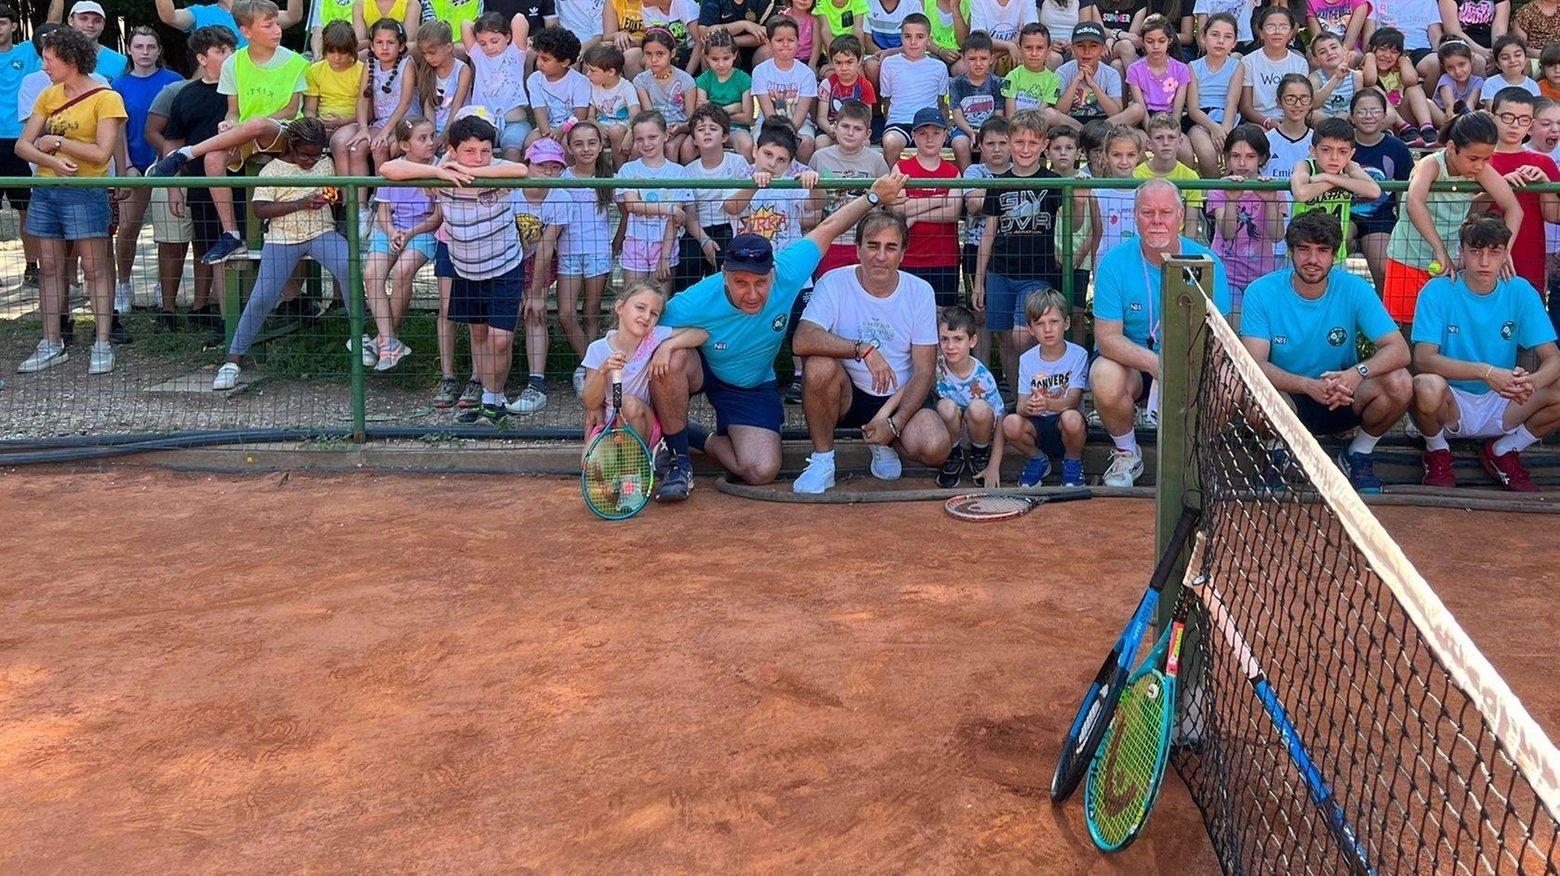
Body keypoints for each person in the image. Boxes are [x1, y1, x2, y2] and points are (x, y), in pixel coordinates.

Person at [650, 170, 910, 499]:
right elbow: (642, 324)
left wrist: (873, 197)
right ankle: (677, 461)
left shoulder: (788, 271)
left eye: (761, 282)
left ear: (773, 273)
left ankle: (691, 436)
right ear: (724, 275)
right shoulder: (695, 299)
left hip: (751, 383)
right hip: (704, 367)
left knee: (761, 469)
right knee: (669, 359)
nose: (753, 293)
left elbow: (828, 228)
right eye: (741, 283)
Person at [1240, 210, 1413, 493]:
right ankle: (1276, 454)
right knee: (1256, 398)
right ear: (1291, 252)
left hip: (1341, 395)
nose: (1312, 259)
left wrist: (1356, 374)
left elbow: (1399, 350)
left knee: (1401, 381)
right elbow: (1254, 364)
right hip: (1288, 398)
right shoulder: (1261, 292)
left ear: (1335, 255)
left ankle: (1358, 454)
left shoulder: (1355, 288)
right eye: (1304, 249)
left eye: (1323, 250)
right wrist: (1308, 386)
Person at [379, 108, 532, 424]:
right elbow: (387, 168)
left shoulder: (498, 167)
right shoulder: (439, 170)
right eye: (470, 152)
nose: (479, 157)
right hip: (465, 268)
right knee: (478, 335)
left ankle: (493, 398)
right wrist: (440, 173)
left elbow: (520, 170)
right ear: (452, 150)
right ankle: (490, 399)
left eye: (485, 151)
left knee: (501, 339)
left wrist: (473, 173)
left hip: (505, 266)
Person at [791, 210, 948, 493]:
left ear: (903, 253)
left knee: (935, 447)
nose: (881, 256)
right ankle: (823, 460)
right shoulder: (833, 281)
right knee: (817, 364)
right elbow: (802, 339)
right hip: (848, 395)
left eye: (891, 247)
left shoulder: (920, 292)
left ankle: (882, 440)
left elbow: (925, 371)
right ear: (858, 248)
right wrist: (862, 350)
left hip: (898, 398)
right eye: (873, 245)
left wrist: (895, 423)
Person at [1090, 178, 1232, 487]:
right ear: (1135, 215)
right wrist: (1156, 365)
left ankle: (1194, 455)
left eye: (1165, 212)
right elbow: (1107, 337)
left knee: (1226, 382)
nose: (1157, 221)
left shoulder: (1207, 262)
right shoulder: (1114, 263)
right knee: (1103, 374)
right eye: (1147, 212)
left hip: (1191, 360)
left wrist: (1187, 367)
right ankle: (1128, 453)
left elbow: (1220, 336)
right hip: (1138, 367)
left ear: (1181, 216)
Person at [147, 0, 309, 266]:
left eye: (277, 24)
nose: (277, 30)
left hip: (284, 133)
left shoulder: (294, 61)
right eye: (268, 25)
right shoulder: (234, 64)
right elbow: (232, 111)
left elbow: (291, 111)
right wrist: (230, 125)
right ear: (246, 32)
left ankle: (186, 153)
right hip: (248, 134)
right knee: (213, 159)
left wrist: (244, 128)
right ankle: (231, 234)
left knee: (256, 123)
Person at [1410, 213, 1560, 492]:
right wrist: (1486, 372)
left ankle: (1504, 451)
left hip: (1505, 402)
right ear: (1461, 251)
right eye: (1475, 251)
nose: (1484, 261)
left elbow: (1553, 358)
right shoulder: (1437, 290)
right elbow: (1422, 359)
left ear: (1505, 254)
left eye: (1494, 252)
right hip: (1451, 402)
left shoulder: (1521, 291)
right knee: (1425, 385)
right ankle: (1437, 450)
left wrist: (1532, 383)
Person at [13, 25, 125, 376]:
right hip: (47, 190)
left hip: (87, 190)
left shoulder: (107, 97)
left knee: (94, 269)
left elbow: (102, 152)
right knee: (49, 268)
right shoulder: (48, 95)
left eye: (49, 59)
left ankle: (102, 342)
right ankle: (51, 342)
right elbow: (23, 145)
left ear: (70, 59)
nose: (44, 66)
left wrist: (56, 144)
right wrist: (51, 161)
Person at [208, 118, 352, 390]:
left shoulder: (326, 163)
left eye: (317, 153)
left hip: (322, 231)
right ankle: (232, 360)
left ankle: (361, 334)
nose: (312, 160)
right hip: (282, 237)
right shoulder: (272, 171)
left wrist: (331, 197)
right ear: (291, 146)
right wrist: (300, 204)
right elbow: (260, 209)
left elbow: (334, 191)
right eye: (305, 154)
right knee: (262, 296)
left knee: (347, 267)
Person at [1384, 111, 1520, 332]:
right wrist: (1439, 249)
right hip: (1408, 258)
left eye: (1487, 159)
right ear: (1450, 148)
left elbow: (1514, 208)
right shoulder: (1430, 164)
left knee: (1443, 329)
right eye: (1473, 158)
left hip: (1449, 267)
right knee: (1404, 330)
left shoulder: (1480, 169)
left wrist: (1505, 253)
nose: (1479, 165)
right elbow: (1414, 203)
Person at [156, 24, 236, 336]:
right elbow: (172, 143)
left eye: (231, 49)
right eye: (221, 51)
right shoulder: (185, 95)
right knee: (216, 251)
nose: (229, 56)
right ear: (202, 58)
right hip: (201, 187)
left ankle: (248, 319)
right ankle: (228, 324)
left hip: (242, 181)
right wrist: (174, 187)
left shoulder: (243, 87)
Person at [973, 109, 1063, 380]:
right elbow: (989, 234)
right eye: (1020, 142)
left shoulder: (1055, 183)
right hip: (1000, 271)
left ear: (1044, 145)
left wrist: (1080, 200)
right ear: (1010, 142)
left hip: (1037, 273)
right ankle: (1017, 400)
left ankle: (1036, 390)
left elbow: (1074, 224)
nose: (1025, 149)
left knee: (1023, 336)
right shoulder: (998, 183)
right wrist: (979, 282)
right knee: (1006, 340)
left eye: (1033, 143)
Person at [581, 281, 710, 446]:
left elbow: (701, 334)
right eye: (640, 308)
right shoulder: (597, 349)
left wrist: (667, 346)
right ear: (619, 307)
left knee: (628, 404)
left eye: (654, 313)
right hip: (608, 426)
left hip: (643, 424)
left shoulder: (654, 337)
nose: (647, 317)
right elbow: (591, 402)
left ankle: (633, 467)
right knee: (592, 465)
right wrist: (603, 370)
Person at [110, 26, 182, 315]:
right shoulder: (118, 86)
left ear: (159, 50)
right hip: (134, 165)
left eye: (150, 47)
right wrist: (125, 165)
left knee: (170, 232)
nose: (144, 52)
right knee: (128, 227)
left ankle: (163, 286)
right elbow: (117, 129)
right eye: (138, 46)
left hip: (167, 165)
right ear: (129, 49)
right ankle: (123, 284)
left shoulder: (174, 81)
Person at [362, 117, 442, 373]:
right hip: (393, 229)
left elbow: (437, 218)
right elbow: (383, 211)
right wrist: (393, 231)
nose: (431, 142)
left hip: (423, 230)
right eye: (423, 138)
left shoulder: (440, 167)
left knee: (403, 270)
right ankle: (389, 341)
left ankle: (383, 340)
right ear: (406, 146)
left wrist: (408, 234)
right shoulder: (392, 168)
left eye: (432, 136)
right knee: (371, 274)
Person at [998, 287, 1088, 487]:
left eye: (1054, 322)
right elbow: (1020, 405)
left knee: (1071, 418)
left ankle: (1073, 462)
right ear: (1030, 329)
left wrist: (1047, 403)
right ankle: (1037, 459)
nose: (1047, 329)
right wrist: (1029, 407)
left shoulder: (1078, 355)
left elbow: (1073, 401)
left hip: (1064, 424)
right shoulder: (1027, 360)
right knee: (1010, 423)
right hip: (1038, 425)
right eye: (1040, 324)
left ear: (1066, 323)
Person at [1484, 87, 1560, 295]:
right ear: (1493, 117)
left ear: (1531, 125)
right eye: (1508, 117)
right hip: (1483, 253)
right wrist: (1497, 187)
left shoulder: (1543, 162)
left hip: (1530, 254)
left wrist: (1544, 184)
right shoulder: (1479, 160)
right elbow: (1466, 208)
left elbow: (1553, 216)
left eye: (1523, 119)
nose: (1515, 125)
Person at [1209, 123, 1282, 327]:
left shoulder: (1273, 187)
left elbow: (1277, 235)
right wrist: (1232, 200)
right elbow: (1228, 233)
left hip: (1262, 275)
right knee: (1233, 327)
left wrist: (1269, 201)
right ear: (1227, 157)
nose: (1242, 163)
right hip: (1227, 273)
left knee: (1258, 329)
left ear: (1262, 158)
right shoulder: (1220, 188)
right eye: (1235, 156)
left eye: (1250, 156)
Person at [810, 98, 889, 278]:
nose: (850, 133)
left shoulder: (876, 160)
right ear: (835, 127)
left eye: (857, 129)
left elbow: (886, 200)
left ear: (867, 134)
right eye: (845, 126)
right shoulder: (819, 157)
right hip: (830, 239)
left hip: (866, 240)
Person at [893, 107, 960, 307]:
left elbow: (953, 212)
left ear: (945, 136)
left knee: (942, 319)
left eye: (936, 134)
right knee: (907, 317)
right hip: (909, 258)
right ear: (913, 136)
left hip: (944, 259)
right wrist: (940, 199)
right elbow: (899, 210)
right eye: (923, 134)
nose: (929, 139)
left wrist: (915, 215)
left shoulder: (953, 171)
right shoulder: (901, 168)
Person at [1349, 86, 1413, 293]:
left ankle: (1381, 318)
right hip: (1345, 213)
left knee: (1383, 268)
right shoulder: (1342, 144)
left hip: (1380, 217)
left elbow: (1406, 188)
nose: (1368, 116)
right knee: (1336, 247)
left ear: (1385, 115)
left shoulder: (1397, 148)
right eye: (1361, 111)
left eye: (1375, 110)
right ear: (1351, 116)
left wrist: (1405, 221)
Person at [933, 305, 1004, 488]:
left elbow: (1001, 416)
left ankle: (979, 456)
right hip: (950, 430)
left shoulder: (983, 376)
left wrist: (995, 466)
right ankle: (953, 457)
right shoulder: (936, 367)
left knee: (979, 408)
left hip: (979, 429)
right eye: (944, 339)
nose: (950, 346)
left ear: (972, 341)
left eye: (958, 339)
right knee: (945, 406)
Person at [1288, 116, 1381, 254]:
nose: (1334, 157)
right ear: (1313, 151)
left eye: (1342, 151)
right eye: (1326, 150)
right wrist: (1336, 180)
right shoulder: (1304, 165)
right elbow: (1301, 193)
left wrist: (1329, 177)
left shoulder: (1349, 166)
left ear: (1351, 154)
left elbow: (1374, 191)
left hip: (1336, 250)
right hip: (1303, 248)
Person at [0, 3, 41, 289]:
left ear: (13, 26)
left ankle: (32, 267)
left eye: (2, 22)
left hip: (20, 140)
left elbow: (52, 20)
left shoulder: (27, 52)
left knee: (27, 208)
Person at [878, 13, 947, 163]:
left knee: (933, 142)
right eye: (908, 36)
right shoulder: (889, 64)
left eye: (920, 37)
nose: (913, 42)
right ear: (901, 38)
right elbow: (886, 100)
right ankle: (894, 183)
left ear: (929, 40)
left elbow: (941, 102)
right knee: (890, 142)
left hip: (928, 122)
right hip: (899, 122)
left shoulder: (939, 67)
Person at [464, 12, 533, 159]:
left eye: (494, 41)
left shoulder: (515, 52)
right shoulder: (479, 55)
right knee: (477, 151)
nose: (488, 47)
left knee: (512, 150)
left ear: (508, 37)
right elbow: (465, 24)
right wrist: (482, 30)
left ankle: (511, 182)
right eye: (482, 43)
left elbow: (519, 18)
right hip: (484, 123)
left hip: (514, 123)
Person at [1185, 11, 1240, 176]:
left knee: (1235, 151)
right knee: (1207, 153)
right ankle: (1213, 195)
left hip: (1229, 119)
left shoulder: (1237, 66)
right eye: (1215, 35)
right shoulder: (1193, 67)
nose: (1220, 41)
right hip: (1201, 121)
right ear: (1203, 36)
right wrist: (1213, 127)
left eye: (1228, 36)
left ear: (1235, 42)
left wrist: (1225, 130)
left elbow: (1232, 102)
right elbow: (1193, 108)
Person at [1363, 26, 1438, 146]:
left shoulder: (1400, 69)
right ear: (1371, 49)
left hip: (1406, 121)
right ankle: (1404, 128)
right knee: (1375, 89)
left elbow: (1411, 81)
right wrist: (1370, 57)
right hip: (1385, 121)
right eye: (1382, 49)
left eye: (1394, 52)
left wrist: (1403, 60)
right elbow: (1370, 81)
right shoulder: (1367, 67)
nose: (1387, 55)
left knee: (1415, 89)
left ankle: (1427, 129)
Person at [632, 28, 697, 159]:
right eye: (648, 54)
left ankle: (671, 178)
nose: (653, 59)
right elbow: (649, 113)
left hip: (679, 128)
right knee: (635, 148)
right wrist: (659, 130)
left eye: (660, 54)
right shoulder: (641, 81)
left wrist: (679, 128)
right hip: (653, 127)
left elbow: (691, 119)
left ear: (672, 53)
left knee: (670, 148)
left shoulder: (686, 81)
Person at [1238, 4, 1307, 128]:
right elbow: (1245, 107)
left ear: (1291, 32)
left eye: (1283, 27)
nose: (1277, 31)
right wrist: (1268, 122)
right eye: (1270, 27)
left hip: (1292, 120)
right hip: (1258, 122)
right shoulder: (1248, 62)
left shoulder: (1300, 63)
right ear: (1261, 33)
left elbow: (1302, 101)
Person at [157, 0, 304, 50]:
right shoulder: (200, 13)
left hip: (256, 82)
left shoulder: (258, 11)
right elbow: (169, 16)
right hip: (217, 86)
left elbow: (293, 16)